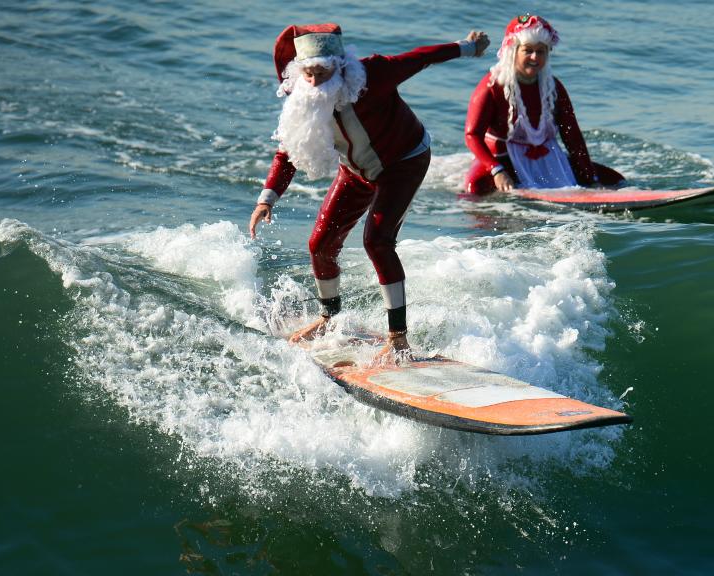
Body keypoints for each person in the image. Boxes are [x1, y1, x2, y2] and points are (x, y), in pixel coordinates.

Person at [248, 23, 490, 361]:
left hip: (403, 161)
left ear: (339, 65)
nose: (316, 80)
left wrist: (466, 47)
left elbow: (420, 58)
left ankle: (398, 339)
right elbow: (287, 152)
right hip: (356, 170)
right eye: (309, 73)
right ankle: (329, 318)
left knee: (377, 241)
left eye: (323, 71)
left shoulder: (372, 74)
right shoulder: (302, 97)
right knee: (320, 244)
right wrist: (266, 198)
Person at [464, 14, 624, 195]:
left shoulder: (553, 88)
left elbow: (572, 136)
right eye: (528, 50)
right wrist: (496, 170)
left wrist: (591, 179)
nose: (535, 57)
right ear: (513, 51)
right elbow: (472, 135)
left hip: (547, 157)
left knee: (616, 181)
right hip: (501, 159)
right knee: (474, 190)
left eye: (541, 51)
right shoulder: (492, 87)